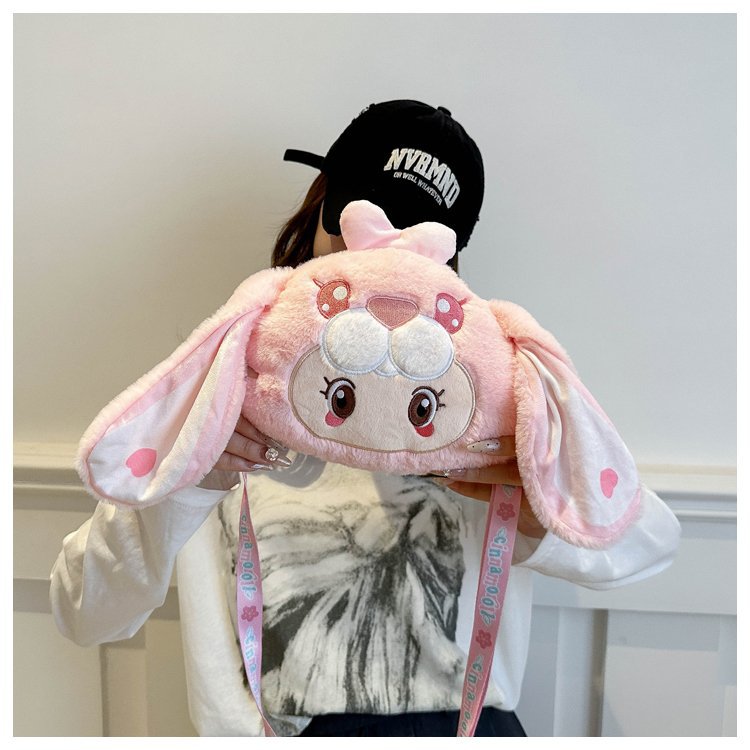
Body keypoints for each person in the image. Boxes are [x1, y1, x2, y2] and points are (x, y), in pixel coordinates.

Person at [50, 100, 681, 737]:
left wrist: (539, 489)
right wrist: (186, 482)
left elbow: (650, 542)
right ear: (321, 211)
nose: (382, 261)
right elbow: (82, 611)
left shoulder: (483, 407)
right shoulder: (227, 381)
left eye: (413, 239)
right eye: (366, 226)